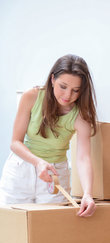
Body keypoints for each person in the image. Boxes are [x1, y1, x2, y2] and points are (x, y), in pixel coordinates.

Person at [0, 54, 97, 217]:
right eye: (63, 86)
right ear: (52, 79)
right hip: (21, 169)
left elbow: (83, 158)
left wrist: (88, 193)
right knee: (11, 227)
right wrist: (38, 163)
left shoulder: (81, 116)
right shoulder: (32, 97)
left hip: (55, 175)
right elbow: (15, 142)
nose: (67, 96)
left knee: (49, 230)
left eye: (75, 90)